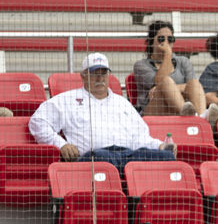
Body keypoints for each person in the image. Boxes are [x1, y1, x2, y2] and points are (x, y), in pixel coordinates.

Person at [29, 53, 177, 170]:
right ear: (83, 76)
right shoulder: (67, 100)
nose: (100, 77)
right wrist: (61, 144)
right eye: (95, 73)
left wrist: (160, 145)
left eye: (103, 73)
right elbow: (38, 122)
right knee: (101, 157)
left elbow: (141, 138)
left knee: (166, 156)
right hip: (94, 157)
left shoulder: (122, 103)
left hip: (128, 157)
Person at [132, 20, 218, 122]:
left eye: (170, 39)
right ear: (151, 42)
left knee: (194, 83)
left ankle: (200, 118)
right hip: (152, 112)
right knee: (166, 81)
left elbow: (193, 87)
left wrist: (168, 88)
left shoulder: (183, 61)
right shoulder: (141, 65)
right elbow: (159, 81)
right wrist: (168, 54)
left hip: (179, 106)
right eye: (161, 39)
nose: (166, 42)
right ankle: (193, 118)